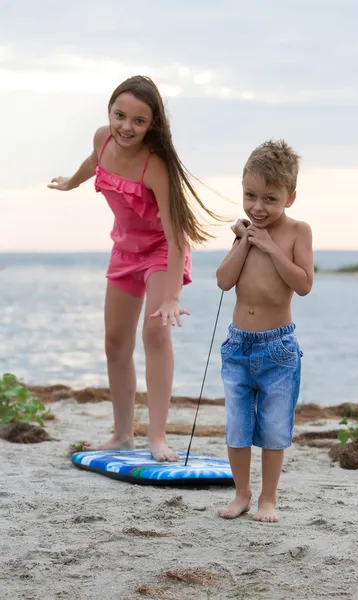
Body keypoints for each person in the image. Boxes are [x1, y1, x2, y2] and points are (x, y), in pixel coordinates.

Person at [48, 75, 221, 461]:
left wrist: (173, 296)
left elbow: (177, 239)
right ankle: (122, 434)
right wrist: (71, 183)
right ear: (109, 113)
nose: (126, 127)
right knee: (114, 342)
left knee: (156, 333)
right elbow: (92, 163)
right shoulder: (102, 139)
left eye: (138, 121)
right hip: (125, 250)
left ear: (152, 125)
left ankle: (157, 437)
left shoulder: (156, 166)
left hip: (162, 251)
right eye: (119, 116)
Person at [216, 139, 314, 521]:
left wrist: (272, 247)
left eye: (270, 199)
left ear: (289, 197)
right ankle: (241, 494)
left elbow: (304, 284)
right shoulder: (246, 233)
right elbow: (224, 281)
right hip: (238, 345)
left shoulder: (297, 232)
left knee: (274, 428)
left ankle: (267, 499)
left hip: (277, 348)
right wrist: (243, 240)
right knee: (237, 426)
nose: (258, 207)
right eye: (250, 195)